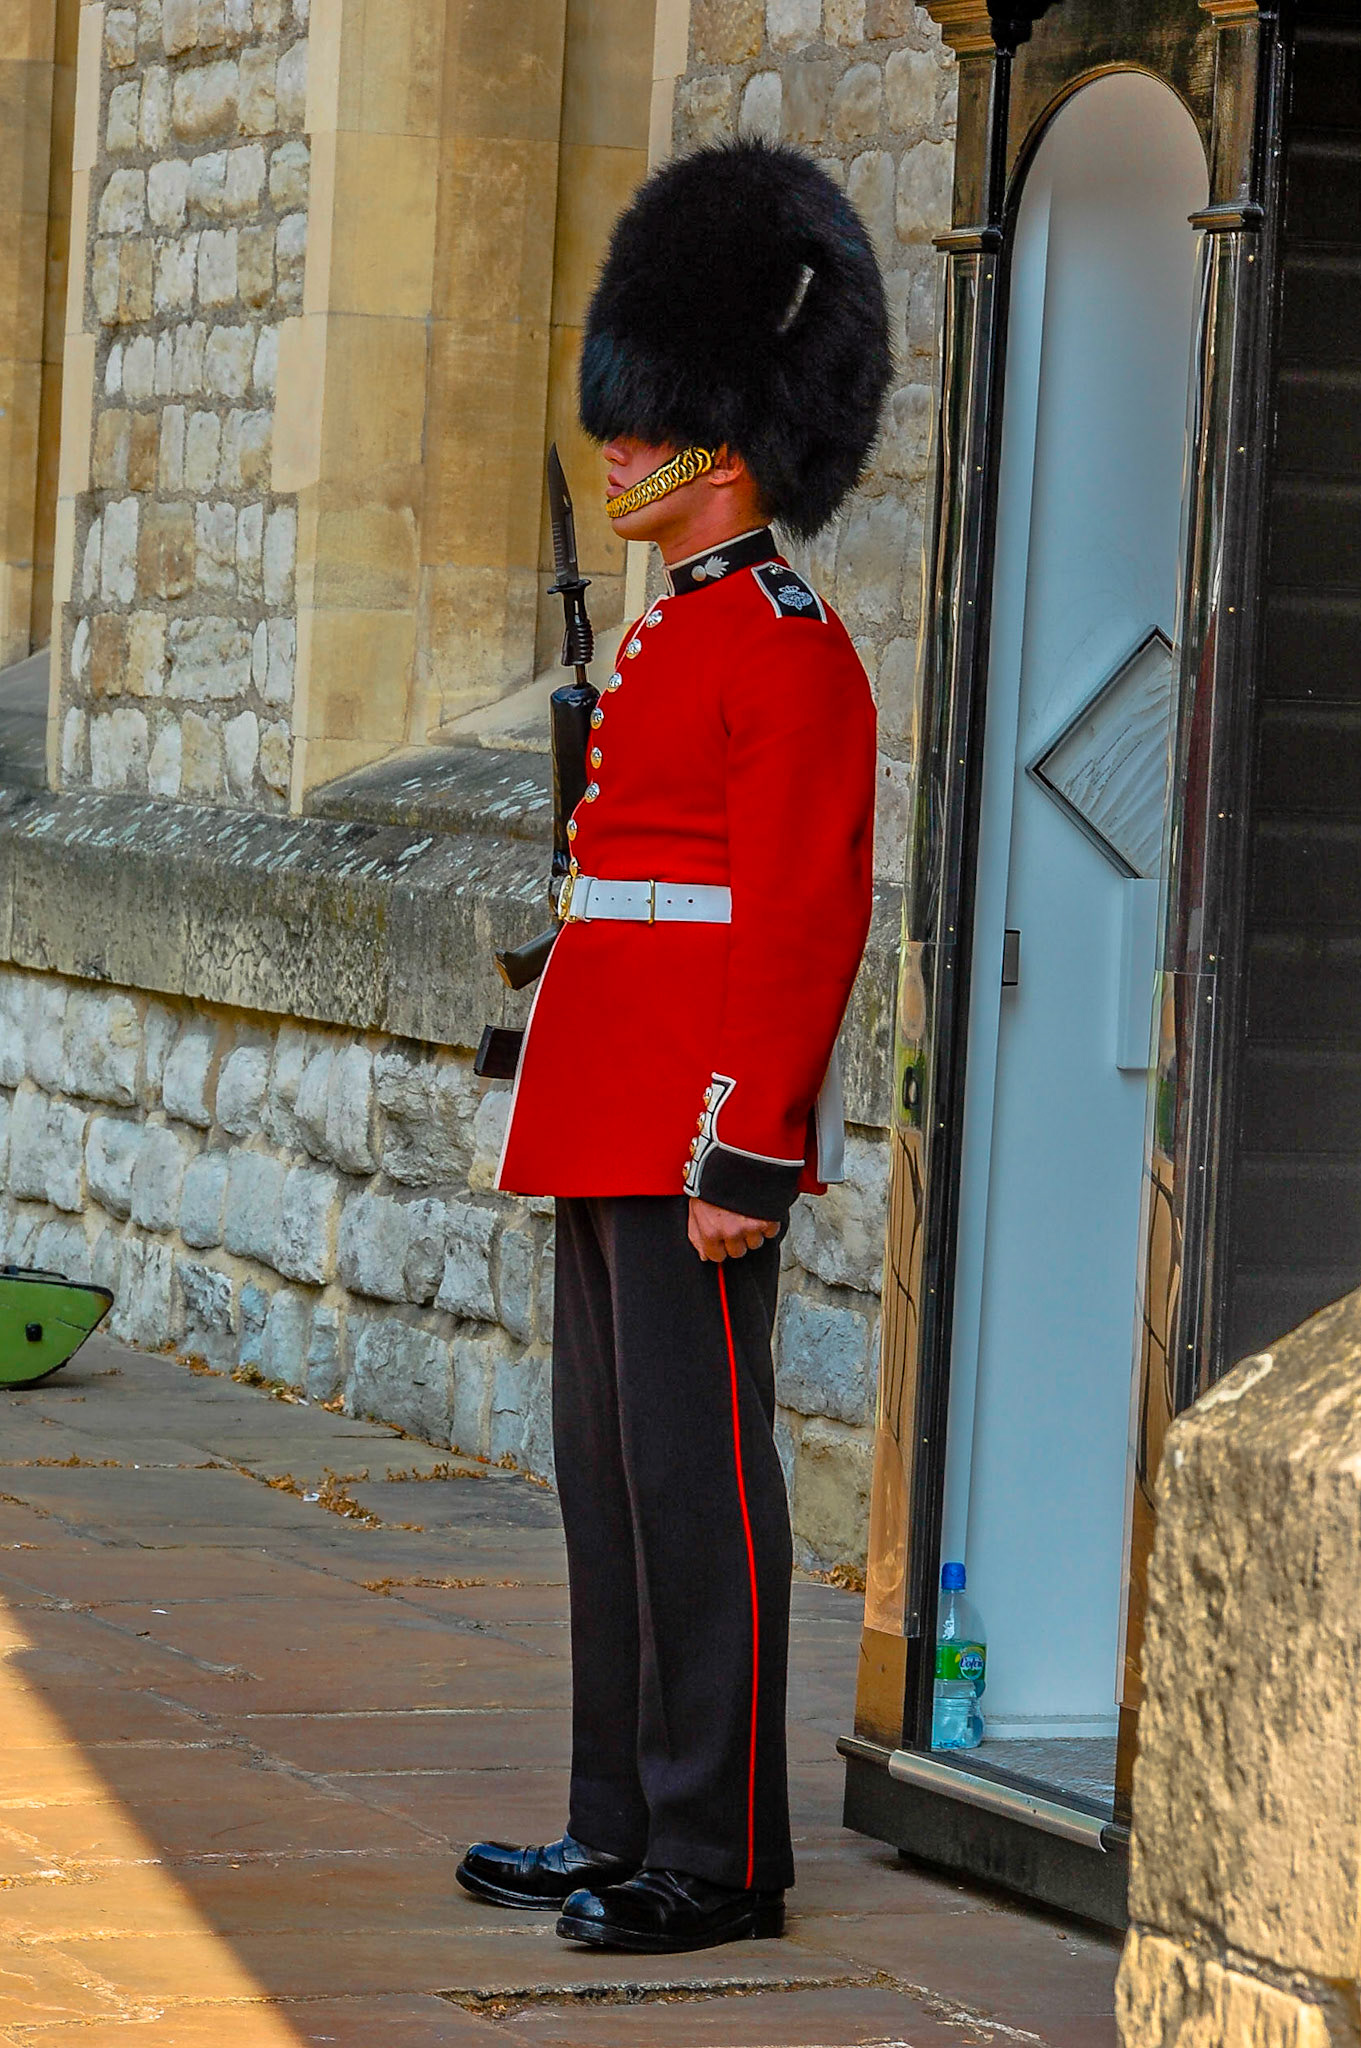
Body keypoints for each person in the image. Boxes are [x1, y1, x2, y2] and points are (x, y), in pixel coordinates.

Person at [455, 138, 891, 1955]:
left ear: (724, 440)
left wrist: (745, 1148)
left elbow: (800, 919)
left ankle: (715, 1856)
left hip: (693, 1123)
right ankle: (613, 1817)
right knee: (613, 1481)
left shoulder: (783, 646)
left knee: (700, 1491)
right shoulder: (675, 634)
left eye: (645, 428)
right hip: (606, 1101)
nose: (617, 454)